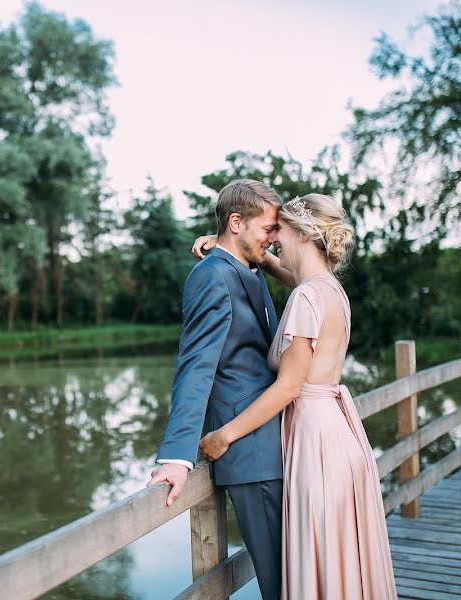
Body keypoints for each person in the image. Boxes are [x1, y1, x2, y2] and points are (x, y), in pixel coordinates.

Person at [197, 193, 397, 600]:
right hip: (339, 434)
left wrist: (226, 435)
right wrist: (226, 249)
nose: (272, 239)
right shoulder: (328, 289)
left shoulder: (307, 297)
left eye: (279, 229)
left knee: (319, 558)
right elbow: (294, 276)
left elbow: (288, 388)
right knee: (338, 558)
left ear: (302, 234)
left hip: (315, 441)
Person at [146, 179, 285, 600]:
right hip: (249, 453)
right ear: (237, 222)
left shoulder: (247, 269)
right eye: (268, 230)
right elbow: (196, 366)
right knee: (279, 581)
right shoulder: (210, 277)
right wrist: (177, 455)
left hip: (274, 441)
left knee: (292, 574)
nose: (274, 239)